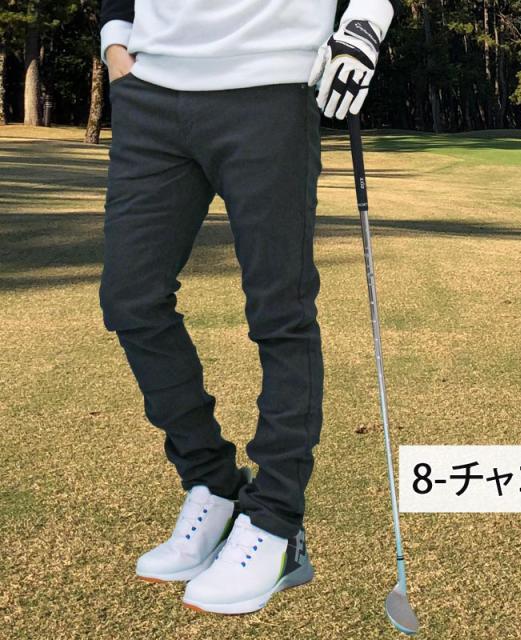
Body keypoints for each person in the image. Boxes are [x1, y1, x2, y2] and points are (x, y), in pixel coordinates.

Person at [99, 0, 397, 615]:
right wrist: (116, 42)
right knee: (130, 299)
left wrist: (366, 21)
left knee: (279, 311)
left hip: (271, 84)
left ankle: (276, 522)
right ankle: (213, 486)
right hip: (151, 90)